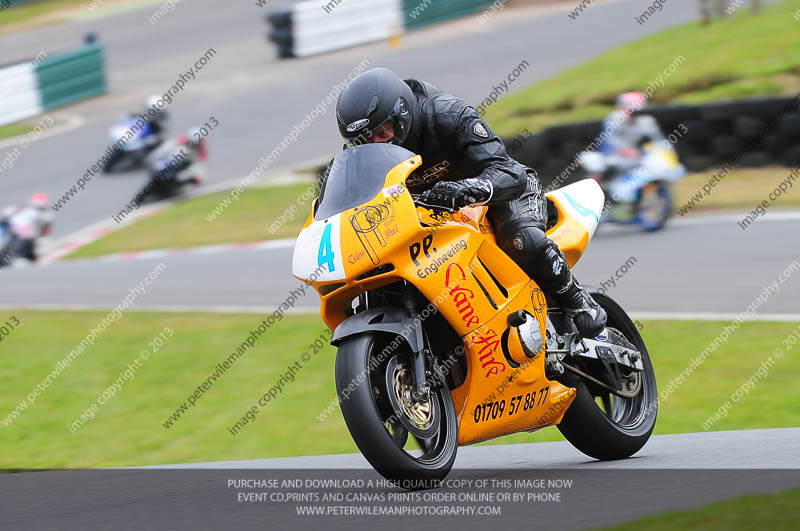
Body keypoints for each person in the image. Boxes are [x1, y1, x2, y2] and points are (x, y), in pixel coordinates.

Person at [330, 68, 606, 338]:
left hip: (495, 194)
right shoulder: (358, 155)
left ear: (402, 117)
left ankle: (579, 302)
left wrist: (468, 189)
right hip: (430, 215)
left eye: (383, 132)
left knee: (522, 240)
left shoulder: (448, 115)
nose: (376, 143)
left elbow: (509, 172)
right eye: (364, 139)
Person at [0, 193, 53, 263]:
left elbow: (4, 213)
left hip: (22, 236)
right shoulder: (47, 216)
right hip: (17, 234)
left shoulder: (21, 209)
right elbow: (46, 232)